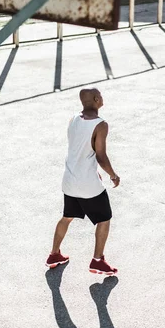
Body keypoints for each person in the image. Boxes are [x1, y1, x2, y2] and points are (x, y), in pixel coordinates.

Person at [46, 88, 120, 276]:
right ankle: (98, 261)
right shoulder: (100, 125)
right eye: (101, 96)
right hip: (88, 185)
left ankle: (54, 254)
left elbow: (80, 149)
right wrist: (113, 174)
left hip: (70, 180)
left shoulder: (73, 119)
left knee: (67, 216)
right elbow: (101, 156)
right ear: (96, 99)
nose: (102, 98)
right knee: (104, 219)